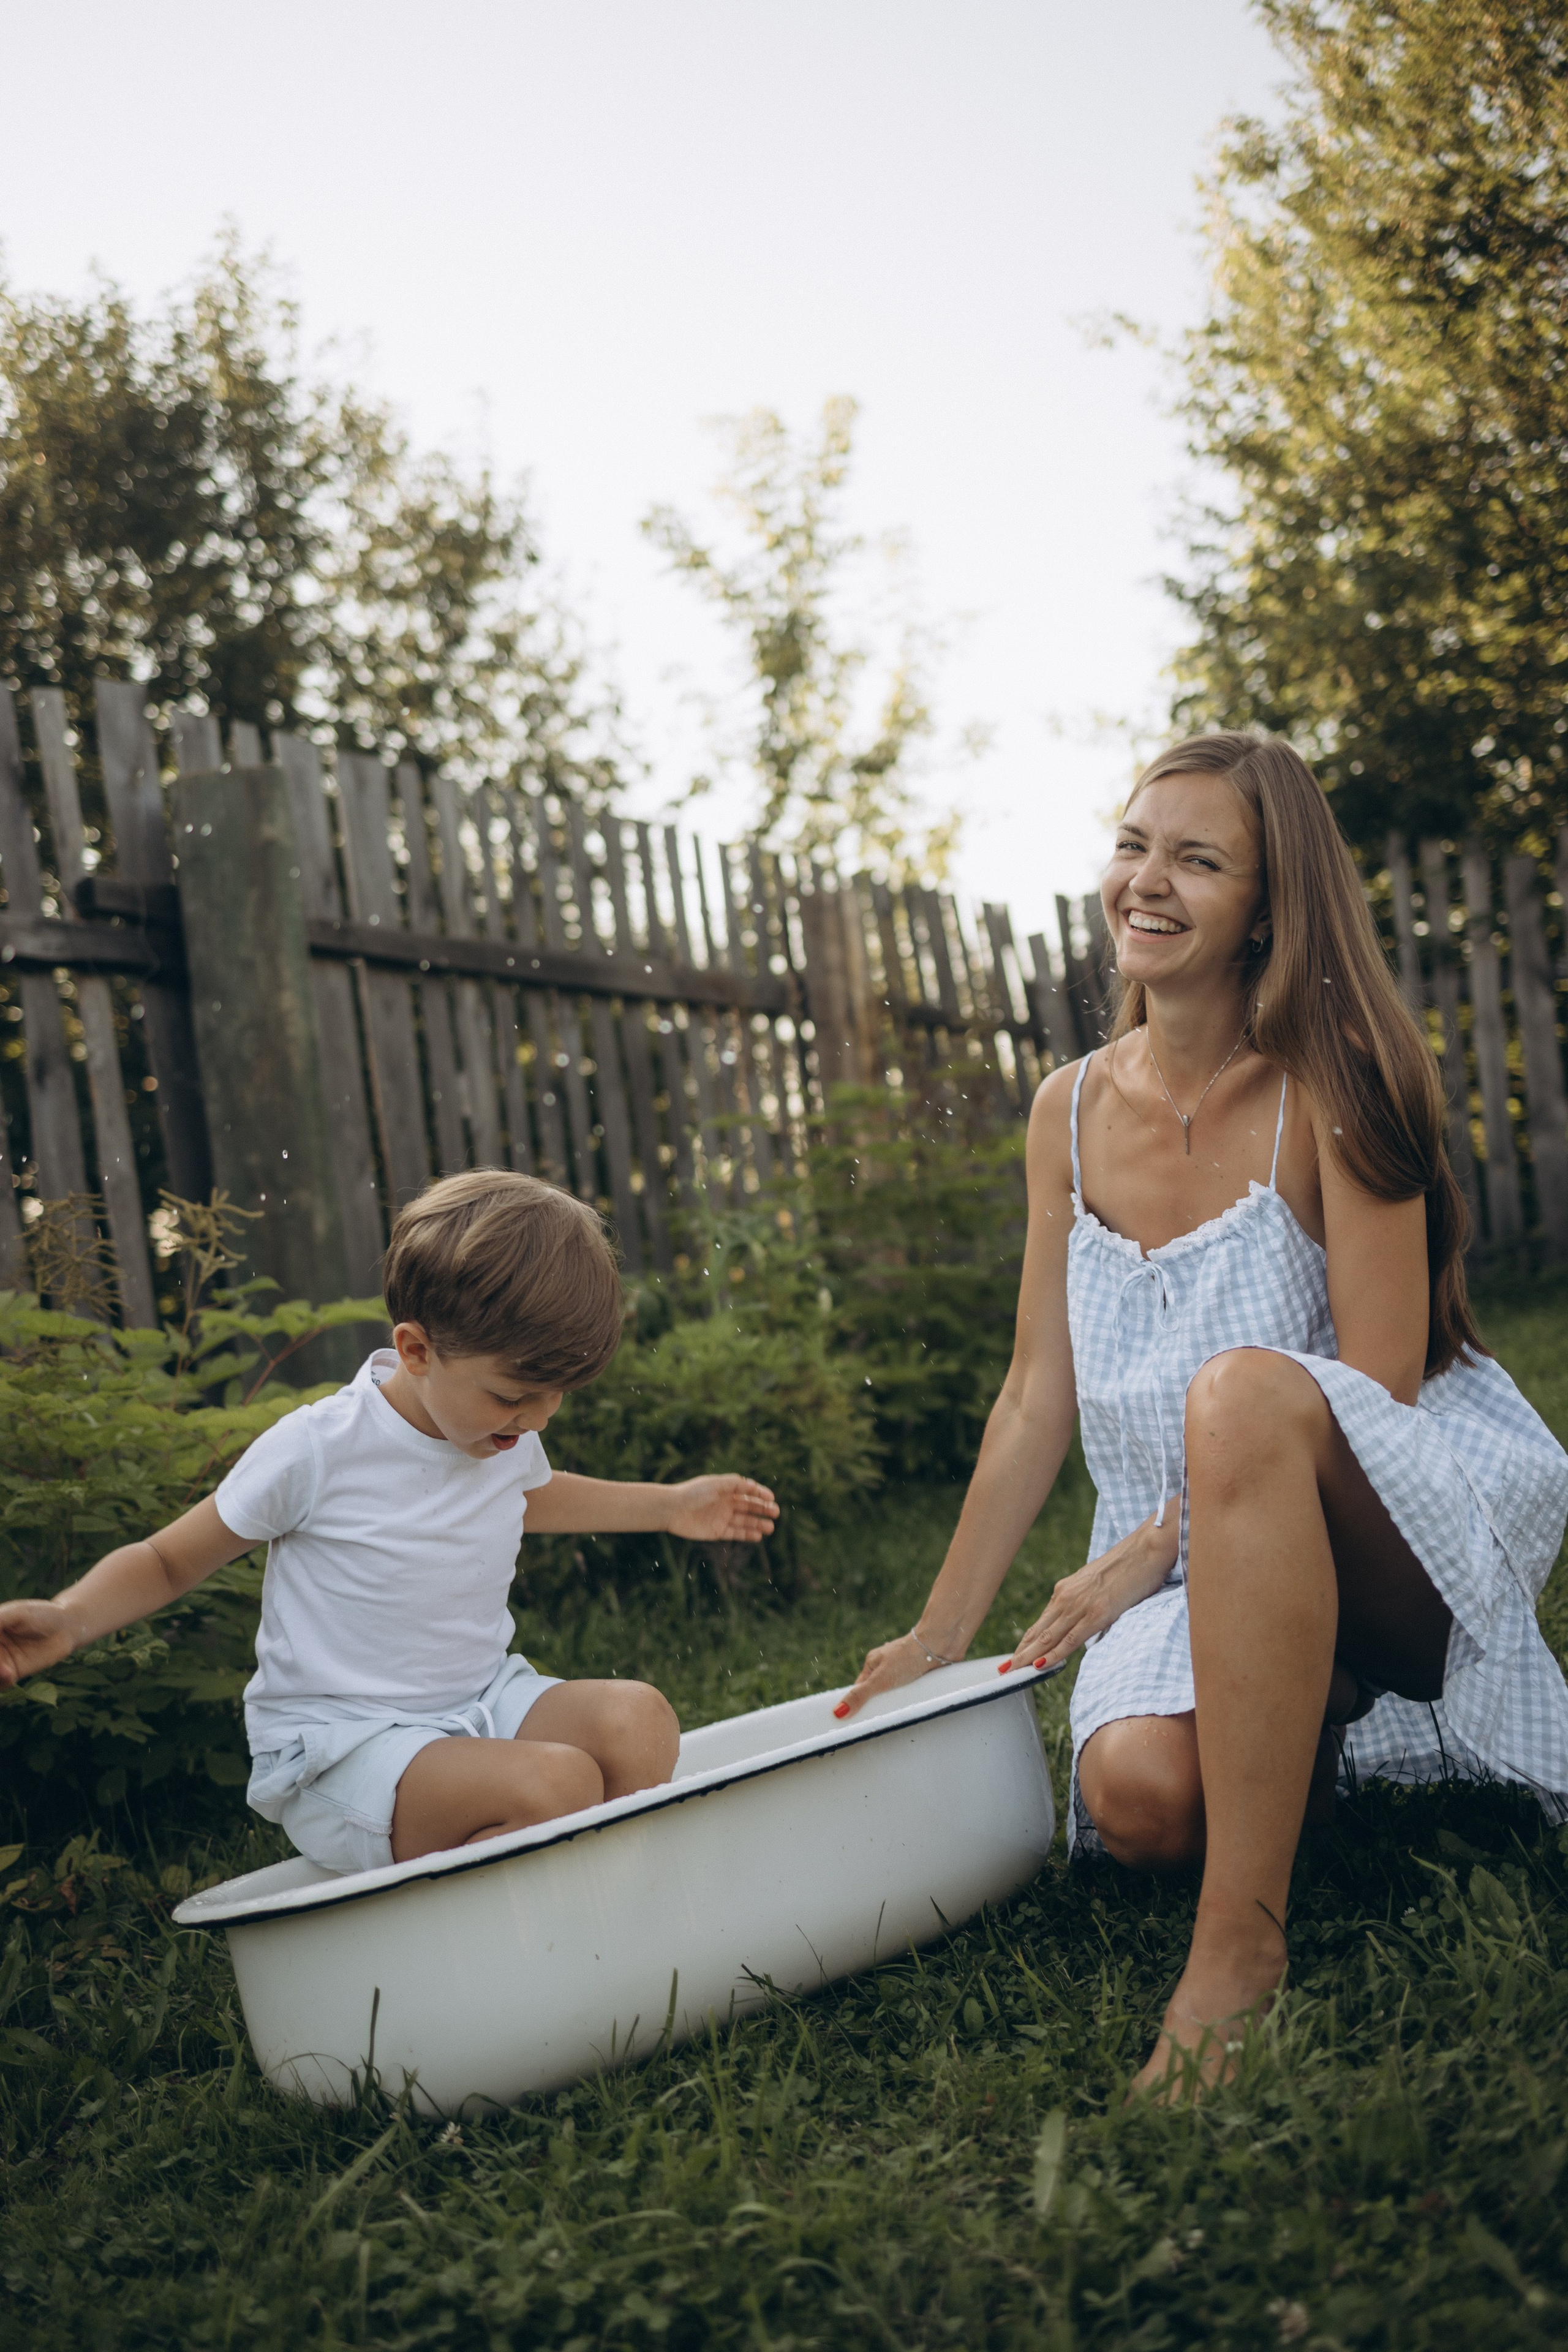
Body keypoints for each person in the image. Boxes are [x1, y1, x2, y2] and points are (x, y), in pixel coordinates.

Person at [838, 732, 1568, 2094]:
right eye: (1131, 845)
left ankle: (1237, 1952)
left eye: (1196, 859)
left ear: (1268, 907)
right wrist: (938, 1633)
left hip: (1383, 1525)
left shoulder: (1334, 1085)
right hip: (1195, 1555)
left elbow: (1378, 1405)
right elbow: (1029, 1396)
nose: (1146, 881)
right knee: (1137, 1804)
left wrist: (1143, 1554)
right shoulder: (1063, 1115)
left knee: (1234, 1392)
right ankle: (1308, 1704)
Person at [0, 1170, 778, 1875]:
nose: (537, 1419)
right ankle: (505, 1933)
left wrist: (671, 1506)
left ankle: (614, 1894)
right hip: (346, 1747)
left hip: (477, 1704)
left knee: (638, 1720)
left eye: (556, 1396)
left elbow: (529, 1495)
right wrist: (70, 1619)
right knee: (556, 1781)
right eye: (515, 1395)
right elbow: (171, 1560)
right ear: (415, 1349)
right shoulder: (318, 1450)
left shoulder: (494, 1430)